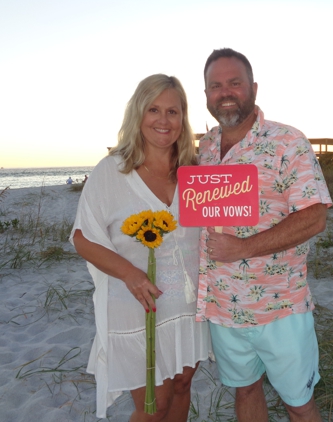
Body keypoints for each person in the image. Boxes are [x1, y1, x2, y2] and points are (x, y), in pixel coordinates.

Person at [197, 48, 333, 422]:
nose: (225, 93)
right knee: (245, 390)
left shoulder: (286, 141)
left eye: (235, 83)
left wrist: (243, 247)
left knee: (298, 403)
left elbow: (315, 216)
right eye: (215, 86)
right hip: (223, 308)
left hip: (279, 308)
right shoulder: (205, 148)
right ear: (206, 95)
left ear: (253, 88)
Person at [70, 74, 212, 421]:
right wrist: (130, 274)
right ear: (138, 113)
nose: (164, 121)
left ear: (183, 118)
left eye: (173, 112)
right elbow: (82, 237)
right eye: (154, 109)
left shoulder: (194, 172)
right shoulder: (113, 171)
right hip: (138, 306)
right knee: (153, 405)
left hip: (189, 306)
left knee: (182, 387)